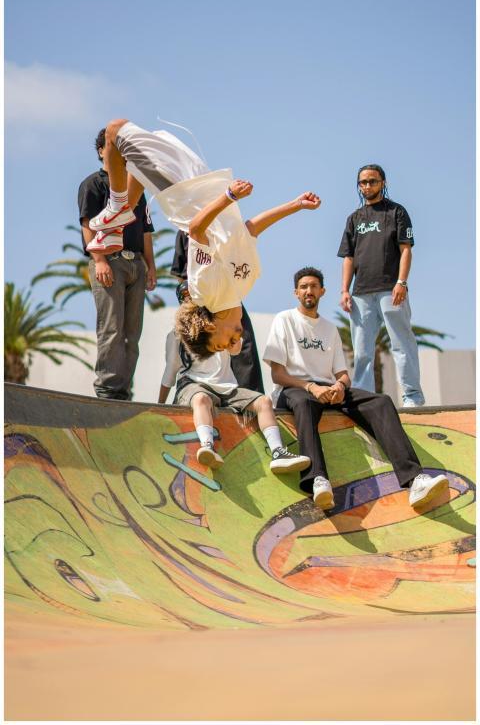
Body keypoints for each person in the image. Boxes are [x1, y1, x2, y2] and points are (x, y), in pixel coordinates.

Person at [87, 118, 320, 358]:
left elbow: (196, 229)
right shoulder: (244, 286)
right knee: (138, 156)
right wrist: (295, 205)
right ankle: (121, 218)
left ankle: (117, 211)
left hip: (180, 191)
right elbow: (250, 229)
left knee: (114, 130)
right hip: (203, 184)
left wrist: (229, 196)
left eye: (222, 345)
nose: (233, 343)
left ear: (210, 327)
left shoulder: (206, 294)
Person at [263, 267, 448, 510]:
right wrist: (310, 387)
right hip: (294, 388)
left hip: (328, 389)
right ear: (296, 292)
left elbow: (342, 373)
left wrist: (339, 386)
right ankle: (317, 479)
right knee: (304, 402)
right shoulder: (284, 319)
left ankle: (415, 480)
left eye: (314, 286)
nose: (309, 290)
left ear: (322, 291)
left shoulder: (329, 329)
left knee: (380, 402)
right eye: (304, 286)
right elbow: (278, 374)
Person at [159, 323, 310, 475]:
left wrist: (232, 332)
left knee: (264, 402)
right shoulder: (178, 332)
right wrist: (160, 405)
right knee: (201, 399)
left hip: (226, 387)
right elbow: (171, 369)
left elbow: (236, 350)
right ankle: (207, 446)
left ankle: (278, 452)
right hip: (193, 383)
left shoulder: (222, 322)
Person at [78, 128, 157, 400]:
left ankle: (124, 391)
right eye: (114, 148)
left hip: (136, 262)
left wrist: (150, 267)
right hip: (109, 262)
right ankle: (108, 390)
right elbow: (88, 225)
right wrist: (98, 260)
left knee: (132, 334)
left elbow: (146, 231)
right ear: (103, 151)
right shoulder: (93, 184)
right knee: (111, 329)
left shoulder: (136, 187)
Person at [337, 164, 425, 408]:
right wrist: (345, 289)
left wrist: (401, 282)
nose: (367, 186)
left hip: (391, 289)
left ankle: (412, 397)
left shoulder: (396, 212)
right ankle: (365, 400)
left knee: (401, 344)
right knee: (362, 351)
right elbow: (348, 257)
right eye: (363, 182)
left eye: (372, 181)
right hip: (361, 293)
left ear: (383, 183)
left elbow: (406, 249)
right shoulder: (354, 218)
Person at [170, 230, 264, 392]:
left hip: (225, 296)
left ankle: (250, 396)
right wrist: (189, 303)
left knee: (243, 341)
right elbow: (181, 275)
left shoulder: (222, 228)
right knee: (202, 346)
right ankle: (203, 390)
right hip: (197, 300)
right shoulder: (184, 230)